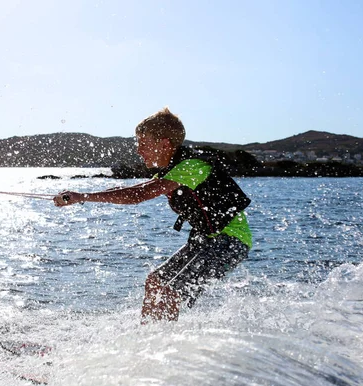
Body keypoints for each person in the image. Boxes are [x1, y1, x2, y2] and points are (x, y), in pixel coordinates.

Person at [53, 107, 252, 323]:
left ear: (165, 144)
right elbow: (135, 190)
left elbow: (139, 194)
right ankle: (147, 336)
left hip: (230, 242)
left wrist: (82, 196)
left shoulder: (192, 167)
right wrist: (80, 197)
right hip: (204, 240)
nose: (139, 150)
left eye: (143, 143)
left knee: (170, 291)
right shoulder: (171, 172)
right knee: (156, 281)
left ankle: (167, 348)